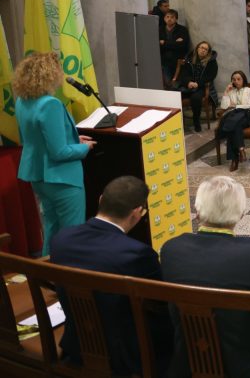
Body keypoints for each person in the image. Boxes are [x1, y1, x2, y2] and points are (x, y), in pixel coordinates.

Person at [161, 176, 250, 378]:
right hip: (245, 368)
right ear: (241, 214)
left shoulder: (171, 249)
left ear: (197, 211)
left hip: (184, 366)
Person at [50, 176, 171, 375]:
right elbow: (161, 303)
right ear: (136, 213)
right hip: (127, 356)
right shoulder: (137, 254)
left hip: (76, 345)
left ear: (100, 200)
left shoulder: (61, 239)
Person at [13, 52, 95, 256]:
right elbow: (59, 152)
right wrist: (84, 148)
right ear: (49, 75)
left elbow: (36, 138)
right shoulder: (50, 104)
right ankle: (70, 276)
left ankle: (47, 272)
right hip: (62, 178)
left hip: (39, 176)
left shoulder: (22, 101)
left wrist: (73, 139)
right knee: (72, 236)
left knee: (52, 230)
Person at [175, 40, 218, 132]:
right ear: (197, 48)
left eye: (206, 49)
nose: (203, 50)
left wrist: (198, 83)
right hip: (188, 86)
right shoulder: (189, 59)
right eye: (202, 48)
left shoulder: (212, 62)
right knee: (175, 95)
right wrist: (188, 83)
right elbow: (184, 74)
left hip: (202, 87)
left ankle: (196, 121)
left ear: (208, 52)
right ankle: (177, 122)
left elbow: (210, 76)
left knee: (195, 98)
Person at [217, 70, 250, 172]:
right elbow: (224, 106)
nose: (236, 81)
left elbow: (249, 105)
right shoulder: (231, 91)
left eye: (239, 79)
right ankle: (241, 150)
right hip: (234, 116)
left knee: (232, 123)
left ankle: (234, 159)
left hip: (247, 115)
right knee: (234, 125)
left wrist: (235, 106)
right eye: (234, 79)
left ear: (243, 79)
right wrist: (226, 92)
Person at [159, 9, 191, 83]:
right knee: (167, 81)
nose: (169, 19)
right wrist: (174, 43)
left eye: (172, 17)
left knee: (177, 82)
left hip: (178, 60)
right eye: (167, 17)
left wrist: (164, 43)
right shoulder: (160, 29)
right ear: (164, 18)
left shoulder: (182, 30)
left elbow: (182, 45)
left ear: (176, 19)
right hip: (164, 60)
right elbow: (157, 45)